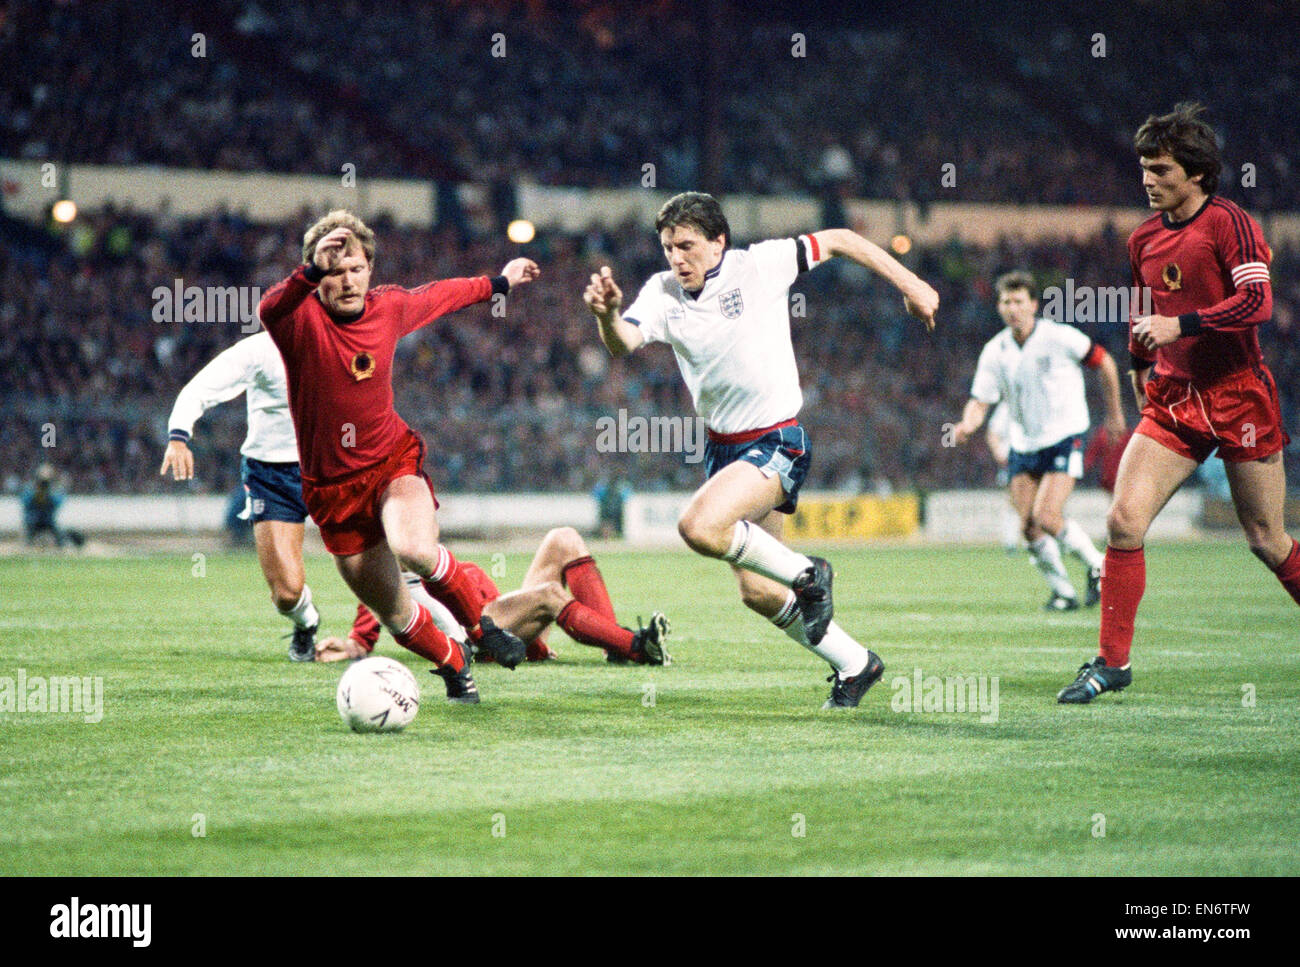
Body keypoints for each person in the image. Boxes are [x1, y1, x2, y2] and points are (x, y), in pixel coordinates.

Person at [583, 191, 939, 709]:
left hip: (777, 441)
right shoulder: (662, 291)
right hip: (725, 452)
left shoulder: (759, 267)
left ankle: (810, 573)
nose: (675, 258)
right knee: (759, 591)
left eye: (686, 245)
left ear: (718, 242)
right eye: (667, 248)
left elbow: (838, 239)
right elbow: (623, 342)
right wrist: (606, 314)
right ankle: (857, 663)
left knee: (698, 527)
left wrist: (911, 283)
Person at [1058, 103, 1300, 703]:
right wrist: (1142, 367)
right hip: (1175, 400)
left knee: (1267, 540)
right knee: (1122, 520)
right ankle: (1113, 663)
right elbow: (1142, 316)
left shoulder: (1229, 221)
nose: (1148, 179)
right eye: (1144, 168)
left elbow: (1257, 304)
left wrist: (1182, 326)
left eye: (1160, 169)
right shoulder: (1142, 238)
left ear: (1196, 173)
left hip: (1240, 395)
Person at [258, 209, 538, 703]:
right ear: (318, 274)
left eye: (356, 268)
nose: (347, 280)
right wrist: (309, 271)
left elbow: (443, 295)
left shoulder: (388, 307)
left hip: (391, 463)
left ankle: (480, 627)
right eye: (335, 270)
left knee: (415, 550)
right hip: (331, 494)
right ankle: (454, 665)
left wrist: (500, 282)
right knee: (397, 616)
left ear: (370, 269)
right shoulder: (299, 321)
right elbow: (270, 309)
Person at [951, 271, 1126, 610]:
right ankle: (1064, 592)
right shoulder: (995, 350)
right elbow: (981, 400)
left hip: (1064, 435)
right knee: (1028, 525)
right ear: (999, 307)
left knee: (1047, 515)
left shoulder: (1059, 337)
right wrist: (966, 424)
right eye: (1005, 302)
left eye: (1018, 301)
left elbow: (1104, 362)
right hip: (1024, 442)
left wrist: (1115, 412)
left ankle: (1099, 567)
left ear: (1033, 304)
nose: (1012, 308)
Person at [315, 527, 671, 680]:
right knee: (548, 594)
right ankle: (638, 648)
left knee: (563, 538)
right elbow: (381, 598)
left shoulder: (426, 541)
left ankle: (614, 646)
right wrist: (355, 644)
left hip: (499, 618)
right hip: (478, 636)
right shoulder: (397, 560)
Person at [161, 332, 322, 661]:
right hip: (273, 473)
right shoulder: (261, 349)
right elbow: (201, 388)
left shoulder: (349, 336)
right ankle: (307, 621)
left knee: (390, 559)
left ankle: (449, 636)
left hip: (335, 466)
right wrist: (178, 436)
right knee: (286, 594)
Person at [21, 464, 81, 548]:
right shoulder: (30, 489)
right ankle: (28, 545)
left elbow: (58, 502)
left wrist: (49, 495)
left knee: (60, 539)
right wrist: (36, 494)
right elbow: (25, 502)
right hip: (33, 520)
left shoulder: (54, 491)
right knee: (28, 539)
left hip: (48, 521)